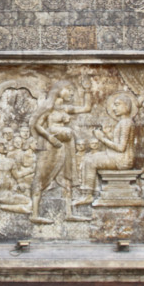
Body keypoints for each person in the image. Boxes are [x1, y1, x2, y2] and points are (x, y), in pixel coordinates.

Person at [29, 80, 91, 224]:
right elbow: (37, 124)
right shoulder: (49, 107)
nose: (71, 93)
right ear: (59, 90)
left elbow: (86, 108)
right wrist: (49, 137)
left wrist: (87, 90)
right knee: (41, 176)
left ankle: (69, 213)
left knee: (66, 179)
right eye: (68, 89)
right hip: (51, 145)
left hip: (65, 147)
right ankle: (35, 214)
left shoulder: (65, 108)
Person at [74, 93, 137, 206]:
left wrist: (102, 138)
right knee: (88, 156)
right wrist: (106, 134)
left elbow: (121, 147)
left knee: (90, 161)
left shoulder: (126, 123)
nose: (114, 108)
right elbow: (118, 143)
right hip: (117, 156)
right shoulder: (123, 122)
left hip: (122, 160)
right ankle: (92, 190)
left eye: (117, 105)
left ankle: (88, 194)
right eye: (113, 105)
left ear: (126, 106)